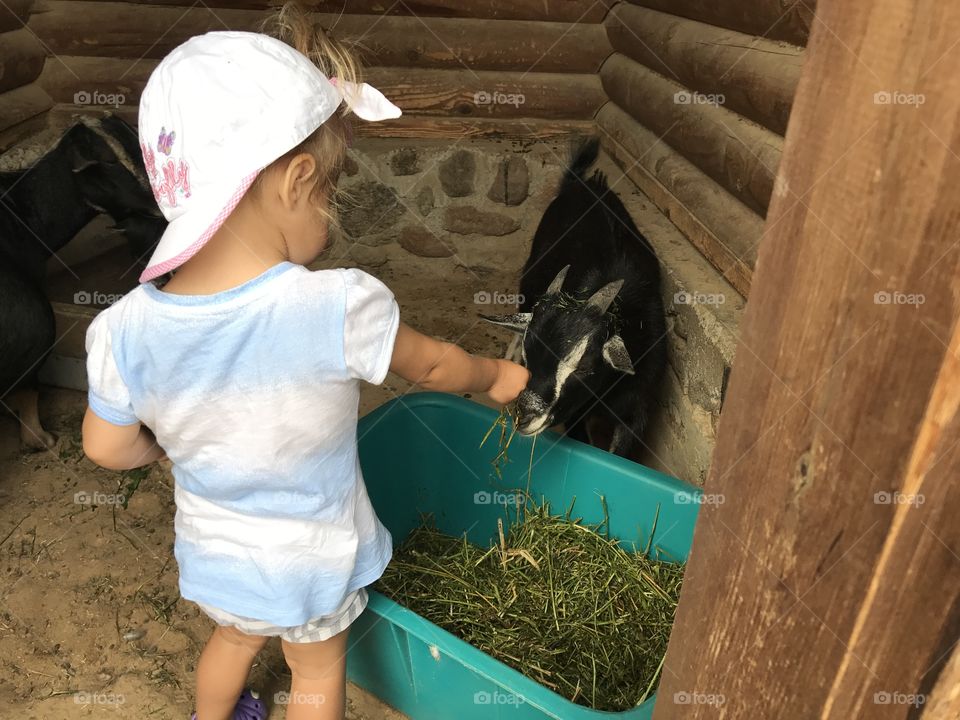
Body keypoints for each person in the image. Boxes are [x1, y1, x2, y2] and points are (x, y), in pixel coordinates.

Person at [80, 7, 529, 720]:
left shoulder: (122, 329)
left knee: (231, 640)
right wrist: (498, 377)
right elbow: (437, 367)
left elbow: (105, 446)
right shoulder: (337, 307)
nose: (328, 211)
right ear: (295, 180)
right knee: (316, 669)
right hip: (314, 563)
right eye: (328, 192)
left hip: (217, 560)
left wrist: (161, 451)